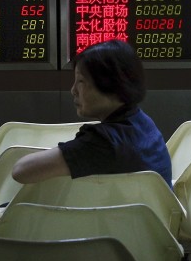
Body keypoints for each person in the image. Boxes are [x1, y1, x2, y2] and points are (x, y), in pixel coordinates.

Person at [12, 38, 172, 185]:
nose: (73, 90)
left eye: (81, 81)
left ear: (111, 85)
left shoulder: (103, 142)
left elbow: (20, 170)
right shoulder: (143, 122)